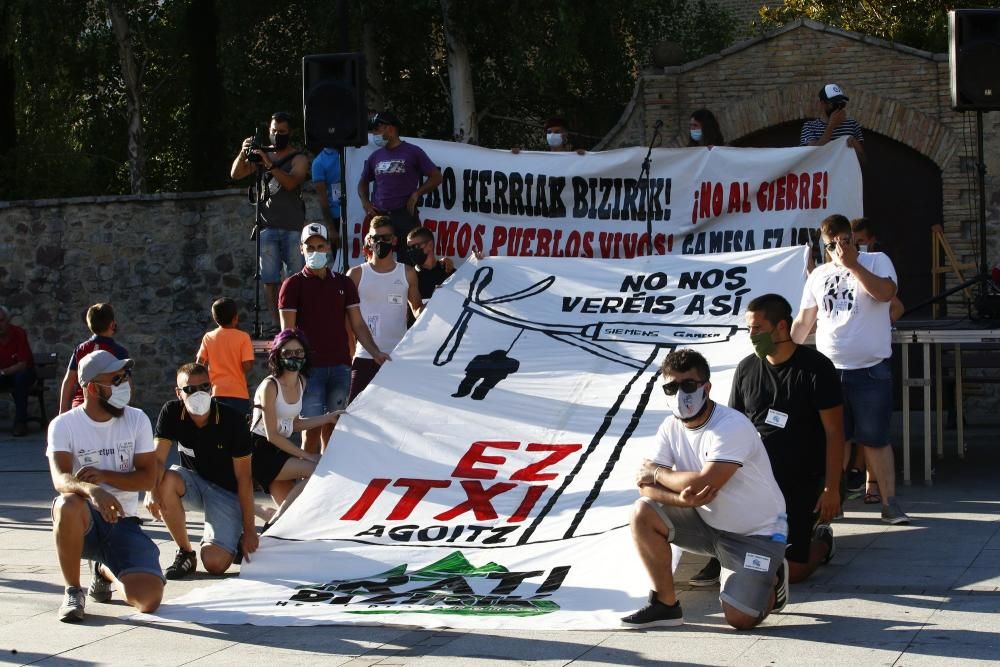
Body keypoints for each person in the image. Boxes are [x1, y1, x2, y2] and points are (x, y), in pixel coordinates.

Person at [622, 349, 788, 630]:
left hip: (756, 534)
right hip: (706, 523)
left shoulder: (731, 426)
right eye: (671, 387)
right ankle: (665, 605)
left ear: (706, 388)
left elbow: (702, 483)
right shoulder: (670, 426)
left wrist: (659, 473)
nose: (679, 394)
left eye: (688, 385)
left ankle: (773, 577)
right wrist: (680, 501)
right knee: (642, 512)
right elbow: (644, 487)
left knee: (740, 619)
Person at [715, 294, 841, 585]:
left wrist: (831, 488)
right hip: (756, 482)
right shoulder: (747, 368)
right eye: (749, 329)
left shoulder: (816, 368)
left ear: (781, 327)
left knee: (791, 572)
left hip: (803, 482)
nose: (751, 336)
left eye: (758, 329)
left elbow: (835, 432)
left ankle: (821, 543)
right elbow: (733, 428)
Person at [792, 214, 910, 525]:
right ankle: (835, 500)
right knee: (834, 438)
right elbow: (805, 320)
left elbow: (885, 294)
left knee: (875, 438)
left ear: (852, 240)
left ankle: (890, 503)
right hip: (830, 369)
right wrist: (787, 355)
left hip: (870, 368)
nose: (838, 249)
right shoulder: (818, 275)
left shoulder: (876, 261)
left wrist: (853, 264)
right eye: (831, 245)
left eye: (844, 242)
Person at [46, 350, 162, 622]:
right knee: (67, 503)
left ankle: (103, 569)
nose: (125, 384)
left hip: (125, 522)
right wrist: (92, 490)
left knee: (148, 599)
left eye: (125, 377)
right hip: (84, 520)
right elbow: (59, 478)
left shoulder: (137, 419)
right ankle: (73, 591)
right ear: (91, 388)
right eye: (117, 379)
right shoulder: (64, 425)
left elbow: (148, 478)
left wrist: (105, 476)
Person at [278, 222, 389, 454]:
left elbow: (357, 323)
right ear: (301, 249)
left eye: (320, 246)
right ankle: (305, 480)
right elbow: (287, 334)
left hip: (340, 366)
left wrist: (375, 352)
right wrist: (291, 370)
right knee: (311, 430)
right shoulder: (292, 285)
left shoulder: (343, 282)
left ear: (329, 247)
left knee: (335, 427)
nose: (315, 252)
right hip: (309, 370)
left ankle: (327, 478)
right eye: (309, 248)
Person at [147, 363, 258, 580]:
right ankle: (185, 552)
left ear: (211, 388)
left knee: (215, 563)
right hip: (194, 483)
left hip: (227, 492)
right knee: (165, 480)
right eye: (189, 389)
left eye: (204, 387)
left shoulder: (232, 420)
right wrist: (150, 492)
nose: (198, 393)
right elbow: (157, 460)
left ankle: (232, 537)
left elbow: (244, 478)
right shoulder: (171, 412)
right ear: (178, 393)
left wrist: (250, 530)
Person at [231, 111, 311, 334]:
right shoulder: (261, 154)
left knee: (296, 277)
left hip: (292, 227)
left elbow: (291, 183)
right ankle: (276, 325)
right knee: (269, 279)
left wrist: (269, 164)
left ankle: (298, 322)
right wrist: (243, 152)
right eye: (274, 131)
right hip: (266, 226)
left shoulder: (299, 158)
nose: (277, 135)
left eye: (282, 132)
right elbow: (235, 174)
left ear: (290, 133)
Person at [250, 329, 340, 522]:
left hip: (280, 449)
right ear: (277, 356)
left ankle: (261, 513)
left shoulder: (302, 381)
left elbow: (295, 424)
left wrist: (328, 418)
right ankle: (268, 520)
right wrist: (307, 455)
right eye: (288, 353)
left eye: (299, 352)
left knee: (293, 517)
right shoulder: (270, 386)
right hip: (261, 451)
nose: (294, 357)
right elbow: (272, 435)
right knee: (318, 469)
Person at [845, 217, 905, 501]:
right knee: (849, 432)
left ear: (870, 241)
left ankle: (873, 484)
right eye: (848, 241)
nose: (852, 247)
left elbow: (895, 305)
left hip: (871, 361)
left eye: (859, 242)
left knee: (872, 432)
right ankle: (853, 482)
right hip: (845, 361)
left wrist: (879, 323)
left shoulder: (876, 264)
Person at [347, 218, 423, 401]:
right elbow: (347, 322)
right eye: (376, 238)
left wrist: (439, 304)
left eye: (386, 237)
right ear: (368, 240)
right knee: (351, 414)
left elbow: (417, 309)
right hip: (365, 355)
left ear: (395, 240)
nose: (381, 242)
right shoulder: (355, 275)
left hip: (397, 357)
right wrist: (348, 356)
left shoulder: (407, 272)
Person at [357, 110, 443, 259]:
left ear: (390, 128)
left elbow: (436, 177)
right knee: (378, 258)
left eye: (377, 129)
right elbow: (362, 183)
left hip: (405, 216)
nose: (374, 134)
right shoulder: (375, 156)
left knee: (411, 259)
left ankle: (411, 283)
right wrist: (366, 203)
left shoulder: (413, 152)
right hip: (381, 216)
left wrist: (417, 193)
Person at [59, 303, 127, 415]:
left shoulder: (81, 349)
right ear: (112, 324)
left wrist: (62, 410)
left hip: (81, 404)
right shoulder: (119, 352)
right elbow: (125, 383)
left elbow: (69, 381)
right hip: (108, 405)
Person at [196, 297, 255, 416]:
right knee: (238, 430)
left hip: (216, 393)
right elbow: (246, 366)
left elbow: (199, 362)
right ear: (235, 318)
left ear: (215, 318)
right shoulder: (243, 337)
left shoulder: (208, 337)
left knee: (217, 430)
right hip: (238, 394)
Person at [799, 83, 866, 165]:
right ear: (823, 103)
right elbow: (811, 157)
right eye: (834, 104)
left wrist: (855, 145)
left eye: (841, 104)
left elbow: (863, 162)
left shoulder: (852, 124)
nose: (838, 107)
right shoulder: (809, 127)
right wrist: (831, 126)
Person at [0, 305, 35, 436]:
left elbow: (22, 364)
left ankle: (20, 423)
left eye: (1, 320)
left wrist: (3, 372)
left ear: (7, 320)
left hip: (24, 374)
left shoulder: (18, 333)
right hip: (4, 375)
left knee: (20, 379)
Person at [405, 226, 456, 303]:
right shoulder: (410, 277)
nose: (412, 251)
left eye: (415, 246)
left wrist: (478, 260)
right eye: (409, 248)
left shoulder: (448, 270)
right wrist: (435, 299)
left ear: (430, 245)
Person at [311, 146, 342, 248]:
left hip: (359, 214)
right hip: (337, 218)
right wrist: (331, 229)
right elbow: (323, 200)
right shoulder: (319, 162)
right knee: (339, 258)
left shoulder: (353, 151)